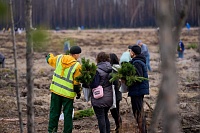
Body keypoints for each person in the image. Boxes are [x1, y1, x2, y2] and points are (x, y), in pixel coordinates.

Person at [46, 45, 82, 133]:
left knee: (54, 113)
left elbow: (50, 60)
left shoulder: (59, 58)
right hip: (68, 95)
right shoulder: (77, 66)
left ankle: (52, 131)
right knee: (68, 115)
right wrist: (78, 93)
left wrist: (48, 55)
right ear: (76, 55)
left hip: (55, 92)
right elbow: (76, 83)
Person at [89, 52, 113, 133]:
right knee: (105, 116)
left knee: (100, 117)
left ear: (98, 59)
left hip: (99, 97)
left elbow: (94, 84)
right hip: (109, 97)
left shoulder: (97, 70)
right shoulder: (111, 69)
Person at [128, 45, 149, 133]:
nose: (129, 53)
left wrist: (128, 79)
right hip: (138, 90)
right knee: (139, 110)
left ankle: (143, 130)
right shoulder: (139, 61)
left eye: (130, 51)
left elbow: (138, 77)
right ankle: (142, 129)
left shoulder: (136, 63)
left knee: (138, 111)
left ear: (133, 52)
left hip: (137, 91)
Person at [109, 53, 122, 132]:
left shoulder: (112, 70)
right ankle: (119, 125)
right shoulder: (119, 68)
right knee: (117, 110)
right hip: (118, 93)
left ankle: (119, 125)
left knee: (114, 111)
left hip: (113, 93)